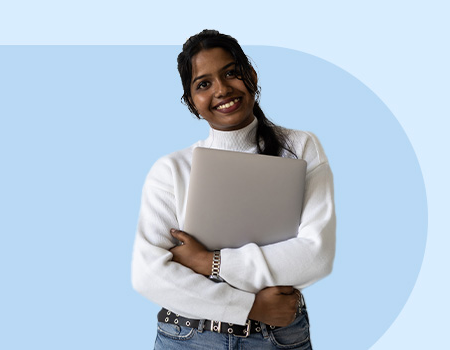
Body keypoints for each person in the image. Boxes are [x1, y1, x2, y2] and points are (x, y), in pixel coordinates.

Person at [131, 29, 336, 350]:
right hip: (188, 338)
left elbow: (315, 256)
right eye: (203, 84)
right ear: (191, 101)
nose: (222, 89)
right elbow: (149, 274)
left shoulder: (299, 147)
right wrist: (249, 307)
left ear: (251, 75)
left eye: (231, 73)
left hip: (277, 336)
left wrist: (209, 262)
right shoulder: (171, 169)